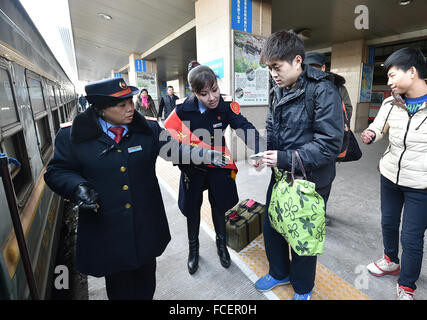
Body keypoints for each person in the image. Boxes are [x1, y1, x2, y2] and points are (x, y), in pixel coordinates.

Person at [44, 77, 226, 300]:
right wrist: (77, 187)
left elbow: (173, 149)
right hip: (108, 231)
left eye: (130, 100)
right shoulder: (72, 137)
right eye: (122, 105)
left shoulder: (147, 129)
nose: (131, 108)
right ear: (101, 109)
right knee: (120, 288)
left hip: (145, 226)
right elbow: (56, 172)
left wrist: (205, 155)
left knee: (146, 282)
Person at [252, 30, 344, 300]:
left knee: (303, 237)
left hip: (311, 180)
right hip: (281, 174)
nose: (273, 74)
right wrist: (266, 155)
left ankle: (303, 288)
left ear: (297, 61)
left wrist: (283, 158)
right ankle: (279, 272)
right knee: (273, 225)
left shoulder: (323, 89)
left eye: (276, 67)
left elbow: (329, 144)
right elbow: (271, 125)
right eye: (269, 69)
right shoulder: (277, 89)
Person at [164, 61, 264, 275]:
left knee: (220, 207)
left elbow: (243, 126)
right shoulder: (182, 109)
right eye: (204, 94)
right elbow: (169, 140)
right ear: (194, 93)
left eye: (214, 90)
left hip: (219, 167)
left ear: (218, 85)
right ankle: (194, 250)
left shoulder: (225, 105)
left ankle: (221, 245)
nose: (211, 98)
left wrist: (259, 148)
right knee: (192, 210)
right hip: (194, 169)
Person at [361, 47, 427, 300]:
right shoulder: (390, 102)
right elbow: (378, 128)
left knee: (411, 237)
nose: (388, 82)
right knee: (388, 223)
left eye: (392, 76)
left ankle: (407, 285)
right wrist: (370, 135)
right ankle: (390, 259)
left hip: (420, 184)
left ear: (412, 72)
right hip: (389, 176)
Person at [304, 51, 353, 226]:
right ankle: (315, 215)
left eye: (315, 68)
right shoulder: (334, 87)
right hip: (318, 144)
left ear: (323, 68)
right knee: (318, 180)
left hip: (322, 143)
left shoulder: (335, 86)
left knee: (321, 179)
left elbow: (347, 110)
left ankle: (317, 215)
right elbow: (348, 109)